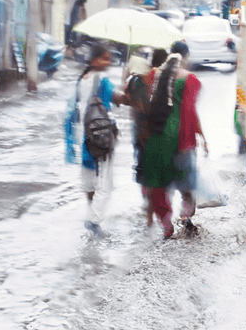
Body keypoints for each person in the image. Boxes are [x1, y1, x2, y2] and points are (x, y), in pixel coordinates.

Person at [142, 41, 208, 238]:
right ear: (185, 57)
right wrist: (202, 137)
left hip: (156, 136)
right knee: (186, 182)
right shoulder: (190, 79)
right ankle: (185, 219)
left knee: (160, 184)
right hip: (180, 137)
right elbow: (189, 112)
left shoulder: (154, 75)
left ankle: (166, 226)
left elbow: (144, 106)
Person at [64, 44, 127, 238]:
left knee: (89, 182)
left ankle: (92, 215)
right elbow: (119, 99)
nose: (107, 62)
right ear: (94, 60)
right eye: (104, 58)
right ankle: (93, 221)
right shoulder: (103, 81)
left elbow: (71, 111)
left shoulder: (81, 79)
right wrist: (126, 80)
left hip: (83, 136)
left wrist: (69, 143)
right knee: (105, 183)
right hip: (100, 137)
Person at [124, 48, 167, 226]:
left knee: (143, 168)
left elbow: (127, 99)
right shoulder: (162, 80)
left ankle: (148, 206)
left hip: (139, 130)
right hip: (152, 132)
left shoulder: (137, 80)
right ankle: (153, 213)